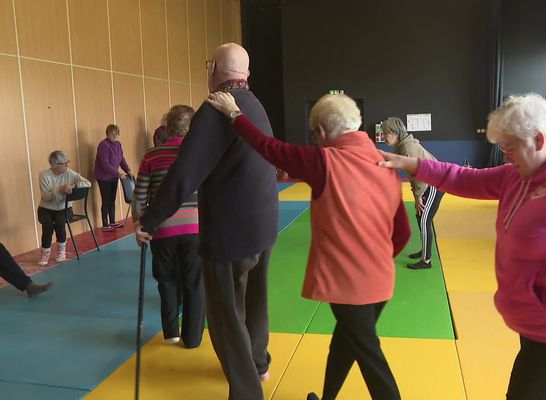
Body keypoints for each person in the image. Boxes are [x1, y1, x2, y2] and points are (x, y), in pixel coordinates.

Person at [378, 94, 546, 399]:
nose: (506, 157)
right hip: (538, 319)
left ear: (538, 139)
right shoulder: (521, 175)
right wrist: (412, 164)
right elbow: (465, 179)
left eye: (510, 148)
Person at [206, 91, 411, 400]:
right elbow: (403, 233)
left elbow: (269, 148)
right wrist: (376, 258)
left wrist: (234, 114)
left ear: (323, 131)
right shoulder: (384, 162)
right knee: (345, 344)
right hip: (381, 281)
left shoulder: (323, 160)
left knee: (370, 357)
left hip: (350, 285)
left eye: (315, 135)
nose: (315, 141)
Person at [135, 43, 278, 400]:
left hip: (230, 231)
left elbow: (185, 174)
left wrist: (150, 220)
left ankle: (245, 392)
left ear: (213, 68)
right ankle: (259, 364)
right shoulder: (256, 104)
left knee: (226, 316)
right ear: (245, 74)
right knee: (254, 302)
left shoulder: (216, 108)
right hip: (264, 223)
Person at [132, 104, 205, 348]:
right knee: (194, 282)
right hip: (195, 229)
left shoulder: (152, 156)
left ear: (168, 127)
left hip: (161, 229)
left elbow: (140, 195)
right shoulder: (199, 154)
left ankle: (171, 331)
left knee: (166, 279)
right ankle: (193, 338)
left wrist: (138, 225)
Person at [381, 117, 444, 269]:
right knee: (420, 217)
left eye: (385, 134)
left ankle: (426, 261)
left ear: (395, 133)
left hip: (434, 184)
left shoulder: (408, 148)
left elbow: (419, 177)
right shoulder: (402, 146)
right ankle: (425, 251)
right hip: (429, 182)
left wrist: (418, 198)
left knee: (424, 219)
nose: (384, 137)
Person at [37, 150, 92, 266]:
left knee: (59, 223)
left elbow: (88, 183)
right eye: (64, 163)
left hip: (64, 208)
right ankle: (45, 252)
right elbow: (46, 197)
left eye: (67, 162)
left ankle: (61, 250)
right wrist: (60, 189)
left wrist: (74, 186)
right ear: (54, 165)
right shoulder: (44, 175)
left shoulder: (69, 172)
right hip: (46, 208)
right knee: (47, 225)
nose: (67, 165)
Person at [94, 124, 131, 232]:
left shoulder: (118, 145)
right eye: (112, 134)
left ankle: (112, 221)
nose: (114, 136)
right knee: (106, 200)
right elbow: (104, 163)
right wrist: (117, 173)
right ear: (108, 134)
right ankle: (105, 224)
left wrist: (127, 170)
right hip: (103, 177)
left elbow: (121, 159)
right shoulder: (103, 145)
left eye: (116, 134)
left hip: (113, 177)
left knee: (112, 199)